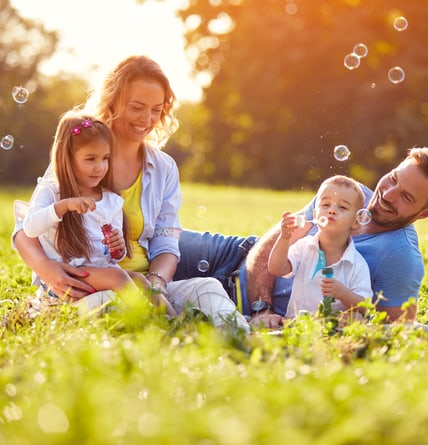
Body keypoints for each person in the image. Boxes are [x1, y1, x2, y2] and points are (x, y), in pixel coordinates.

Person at [13, 55, 250, 331]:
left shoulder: (163, 168)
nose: (147, 119)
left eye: (156, 110)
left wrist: (156, 286)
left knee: (207, 287)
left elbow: (166, 241)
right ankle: (170, 335)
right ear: (113, 101)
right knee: (110, 305)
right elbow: (24, 228)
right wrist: (47, 269)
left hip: (143, 286)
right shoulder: (81, 155)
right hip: (88, 287)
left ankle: (242, 340)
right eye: (137, 107)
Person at [172, 147, 428, 326]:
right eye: (394, 178)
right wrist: (262, 308)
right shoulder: (346, 192)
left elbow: (396, 331)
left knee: (150, 290)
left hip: (239, 305)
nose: (387, 194)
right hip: (235, 254)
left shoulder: (401, 258)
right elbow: (271, 244)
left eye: (406, 197)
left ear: (425, 213)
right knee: (152, 242)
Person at [17, 110, 174, 314]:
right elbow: (30, 228)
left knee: (140, 280)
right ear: (67, 158)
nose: (99, 167)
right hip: (67, 276)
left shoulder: (110, 200)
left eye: (105, 158)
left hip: (98, 272)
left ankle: (174, 320)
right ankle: (146, 320)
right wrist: (63, 206)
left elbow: (112, 256)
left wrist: (118, 249)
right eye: (90, 159)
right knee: (118, 278)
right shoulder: (52, 191)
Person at [268, 175, 372, 318]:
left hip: (333, 333)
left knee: (356, 318)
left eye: (342, 207)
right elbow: (276, 268)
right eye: (325, 205)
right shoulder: (304, 247)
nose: (332, 210)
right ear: (316, 214)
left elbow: (366, 307)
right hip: (297, 327)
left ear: (356, 221)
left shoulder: (356, 264)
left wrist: (343, 293)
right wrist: (284, 238)